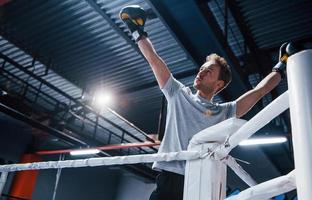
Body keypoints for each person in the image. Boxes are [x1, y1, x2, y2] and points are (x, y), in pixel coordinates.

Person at [120, 5, 288, 200]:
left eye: (208, 71)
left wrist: (281, 66)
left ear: (219, 84)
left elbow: (259, 92)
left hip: (201, 183)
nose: (201, 72)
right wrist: (137, 31)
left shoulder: (224, 112)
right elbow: (154, 60)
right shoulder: (178, 94)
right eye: (202, 68)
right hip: (170, 181)